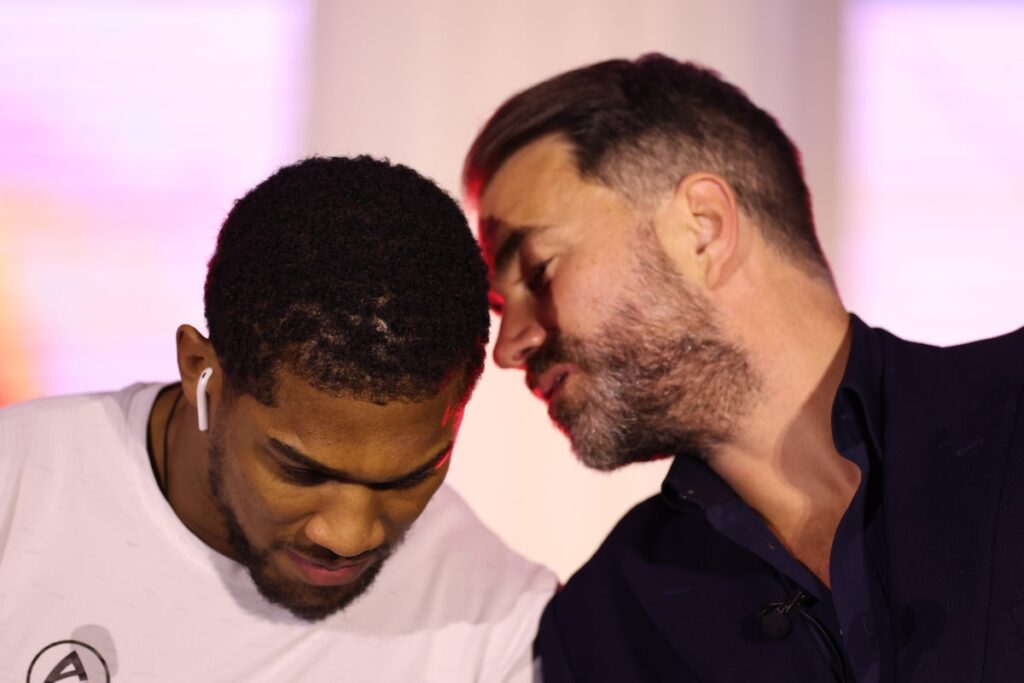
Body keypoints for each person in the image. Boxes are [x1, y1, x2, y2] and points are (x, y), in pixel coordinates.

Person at [462, 54, 1024, 682]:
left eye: (538, 270)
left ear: (702, 228)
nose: (507, 346)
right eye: (495, 304)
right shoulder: (606, 625)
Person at [0, 156, 556, 682]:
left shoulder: (499, 624)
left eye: (409, 478)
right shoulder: (17, 485)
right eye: (301, 471)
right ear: (202, 373)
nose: (348, 536)